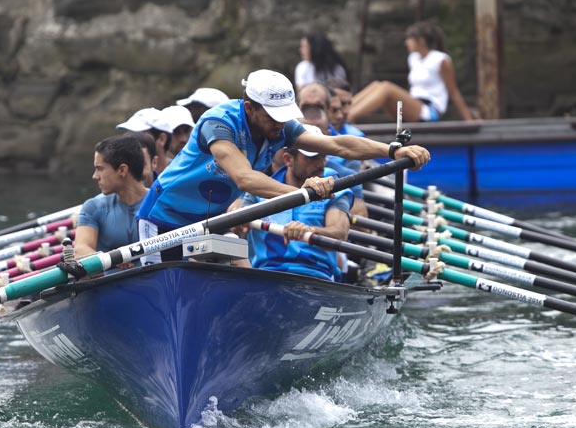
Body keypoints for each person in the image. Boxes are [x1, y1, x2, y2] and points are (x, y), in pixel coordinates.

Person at [136, 68, 431, 263]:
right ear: (250, 108)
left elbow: (338, 145)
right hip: (163, 219)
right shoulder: (219, 123)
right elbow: (244, 178)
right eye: (272, 116)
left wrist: (392, 150)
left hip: (209, 224)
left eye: (283, 115)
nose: (280, 123)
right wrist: (300, 191)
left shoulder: (280, 127)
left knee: (221, 282)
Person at [242, 143, 353, 281]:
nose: (320, 164)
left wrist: (308, 230)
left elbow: (340, 234)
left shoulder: (335, 190)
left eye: (322, 157)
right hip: (266, 276)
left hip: (316, 277)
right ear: (288, 159)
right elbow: (238, 228)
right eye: (312, 158)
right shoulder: (258, 192)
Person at [348, 21, 477, 123]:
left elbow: (453, 91)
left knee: (386, 88)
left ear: (420, 41)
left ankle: (347, 118)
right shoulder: (414, 58)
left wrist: (468, 120)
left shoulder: (441, 60)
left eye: (409, 39)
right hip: (412, 105)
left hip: (428, 110)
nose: (406, 43)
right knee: (377, 85)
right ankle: (344, 111)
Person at [74, 134, 149, 267]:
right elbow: (80, 250)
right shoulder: (93, 207)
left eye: (100, 168)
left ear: (122, 170)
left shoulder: (161, 205)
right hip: (110, 285)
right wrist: (112, 259)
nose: (95, 176)